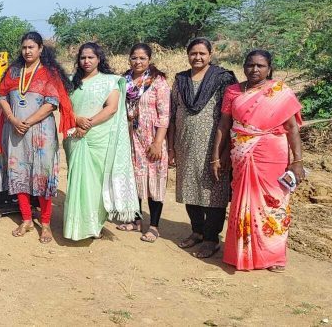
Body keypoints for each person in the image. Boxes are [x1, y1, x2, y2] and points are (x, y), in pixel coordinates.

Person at [213, 50, 304, 271]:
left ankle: (273, 256)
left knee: (273, 203)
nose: (255, 69)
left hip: (273, 153)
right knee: (243, 201)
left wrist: (298, 161)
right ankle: (242, 254)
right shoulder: (233, 91)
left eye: (260, 66)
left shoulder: (280, 91)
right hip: (241, 152)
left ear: (269, 68)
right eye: (250, 65)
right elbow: (224, 126)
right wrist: (216, 155)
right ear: (243, 67)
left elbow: (292, 128)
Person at [0, 31, 75, 244]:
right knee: (18, 173)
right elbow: (2, 96)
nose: (27, 51)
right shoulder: (13, 71)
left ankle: (46, 223)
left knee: (42, 175)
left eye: (31, 47)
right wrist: (12, 119)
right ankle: (27, 219)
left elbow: (52, 103)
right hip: (15, 132)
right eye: (24, 47)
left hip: (41, 133)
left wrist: (27, 122)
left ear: (40, 49)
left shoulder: (48, 73)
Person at [63, 42, 140, 241]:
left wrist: (87, 124)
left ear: (99, 59)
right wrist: (76, 119)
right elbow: (64, 106)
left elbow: (112, 108)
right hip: (75, 137)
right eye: (82, 58)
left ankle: (94, 224)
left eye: (91, 57)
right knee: (77, 181)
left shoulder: (110, 81)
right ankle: (77, 225)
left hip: (99, 138)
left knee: (96, 184)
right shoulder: (71, 81)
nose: (86, 61)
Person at [169, 37, 238, 258]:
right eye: (193, 53)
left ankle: (211, 238)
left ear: (210, 54)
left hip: (213, 145)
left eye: (202, 53)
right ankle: (197, 231)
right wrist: (171, 147)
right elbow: (172, 113)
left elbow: (230, 116)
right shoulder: (181, 80)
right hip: (186, 144)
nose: (197, 57)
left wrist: (224, 150)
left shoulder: (222, 79)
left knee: (213, 193)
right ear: (187, 54)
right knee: (190, 189)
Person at [116, 43, 171, 243]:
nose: (138, 62)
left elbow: (165, 115)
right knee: (134, 179)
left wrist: (158, 142)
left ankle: (154, 226)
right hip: (131, 138)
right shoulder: (124, 81)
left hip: (152, 138)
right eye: (134, 58)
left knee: (154, 181)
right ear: (129, 59)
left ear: (149, 60)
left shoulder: (158, 82)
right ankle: (135, 220)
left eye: (142, 58)